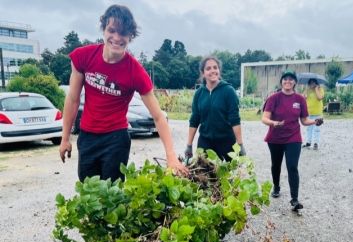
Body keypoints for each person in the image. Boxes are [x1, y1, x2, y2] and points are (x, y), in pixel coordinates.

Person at [59, 4, 187, 182]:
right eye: (112, 30)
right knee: (89, 193)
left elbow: (158, 116)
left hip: (116, 140)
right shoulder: (83, 57)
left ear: (131, 36)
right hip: (87, 137)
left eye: (124, 33)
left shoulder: (135, 71)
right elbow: (73, 99)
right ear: (104, 29)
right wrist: (65, 138)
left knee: (112, 198)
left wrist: (171, 156)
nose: (117, 38)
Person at [261, 70, 323, 211]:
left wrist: (314, 122)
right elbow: (264, 118)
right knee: (276, 165)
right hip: (275, 138)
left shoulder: (300, 99)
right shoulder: (274, 98)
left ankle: (294, 200)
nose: (287, 81)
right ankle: (276, 187)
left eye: (290, 79)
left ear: (295, 82)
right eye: (285, 79)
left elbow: (304, 120)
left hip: (293, 138)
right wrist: (273, 123)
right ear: (281, 82)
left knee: (292, 166)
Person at [185, 56, 246, 162]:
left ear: (219, 70)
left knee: (228, 176)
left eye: (215, 67)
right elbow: (194, 120)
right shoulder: (199, 93)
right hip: (205, 143)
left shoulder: (228, 91)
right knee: (206, 176)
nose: (212, 71)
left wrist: (240, 144)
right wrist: (189, 145)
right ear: (203, 73)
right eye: (208, 68)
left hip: (226, 142)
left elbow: (235, 119)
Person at [302, 78, 325, 150]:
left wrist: (316, 89)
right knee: (309, 128)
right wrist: (304, 96)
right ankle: (308, 142)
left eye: (313, 82)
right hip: (309, 112)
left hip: (318, 112)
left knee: (317, 128)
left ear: (316, 83)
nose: (312, 84)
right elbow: (302, 98)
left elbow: (319, 97)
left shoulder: (320, 89)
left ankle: (316, 143)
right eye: (310, 83)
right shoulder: (307, 90)